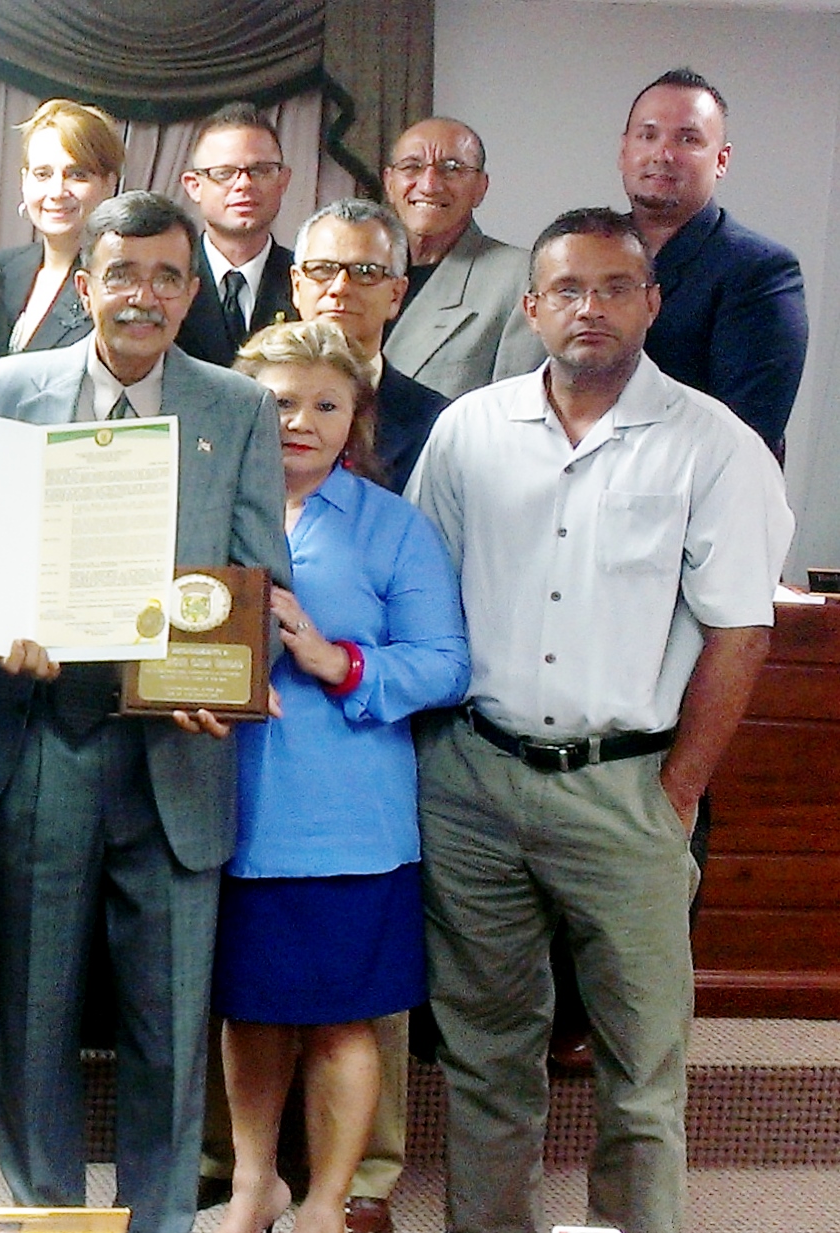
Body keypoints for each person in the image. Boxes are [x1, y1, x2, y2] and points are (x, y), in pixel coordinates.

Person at [407, 207, 791, 1233]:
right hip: (474, 780)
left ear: (651, 303)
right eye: (568, 290)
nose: (592, 308)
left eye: (616, 287)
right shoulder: (469, 429)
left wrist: (677, 792)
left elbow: (740, 634)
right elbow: (423, 595)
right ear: (532, 308)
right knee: (484, 1054)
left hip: (627, 788)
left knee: (641, 1066)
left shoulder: (714, 445)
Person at [0, 191, 290, 1233]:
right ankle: (45, 1218)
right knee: (35, 1017)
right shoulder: (6, 387)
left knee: (169, 1026)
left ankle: (159, 1223)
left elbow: (261, 575)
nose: (142, 296)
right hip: (41, 738)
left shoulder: (236, 407)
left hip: (175, 755)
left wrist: (222, 675)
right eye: (121, 274)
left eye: (165, 277)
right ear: (84, 284)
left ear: (191, 291)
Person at [209, 320, 469, 1233]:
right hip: (225, 804)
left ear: (354, 417)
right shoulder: (200, 507)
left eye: (326, 404)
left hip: (345, 815)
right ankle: (254, 1183)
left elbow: (445, 664)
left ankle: (325, 1199)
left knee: (341, 1019)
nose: (301, 422)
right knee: (248, 1010)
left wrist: (336, 660)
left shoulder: (392, 525)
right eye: (279, 402)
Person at [620, 67, 808, 459]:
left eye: (687, 139)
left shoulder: (760, 270)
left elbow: (746, 433)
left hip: (695, 488)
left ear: (721, 160)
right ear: (624, 151)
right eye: (648, 135)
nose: (662, 154)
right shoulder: (588, 250)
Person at [379, 117, 545, 401]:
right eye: (412, 167)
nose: (429, 185)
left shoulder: (520, 279)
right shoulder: (353, 274)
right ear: (389, 183)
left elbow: (512, 414)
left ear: (481, 187)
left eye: (451, 168)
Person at [290, 198, 449, 494]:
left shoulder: (437, 422)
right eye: (322, 269)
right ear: (297, 286)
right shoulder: (249, 405)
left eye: (365, 272)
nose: (339, 287)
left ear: (396, 294)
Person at [0, 98, 125, 355]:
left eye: (77, 174)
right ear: (24, 181)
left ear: (109, 184)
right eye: (43, 174)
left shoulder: (119, 286)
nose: (57, 191)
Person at [175, 103, 296, 367]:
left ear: (283, 180)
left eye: (261, 170)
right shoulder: (169, 280)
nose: (244, 184)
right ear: (194, 186)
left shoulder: (306, 282)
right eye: (224, 173)